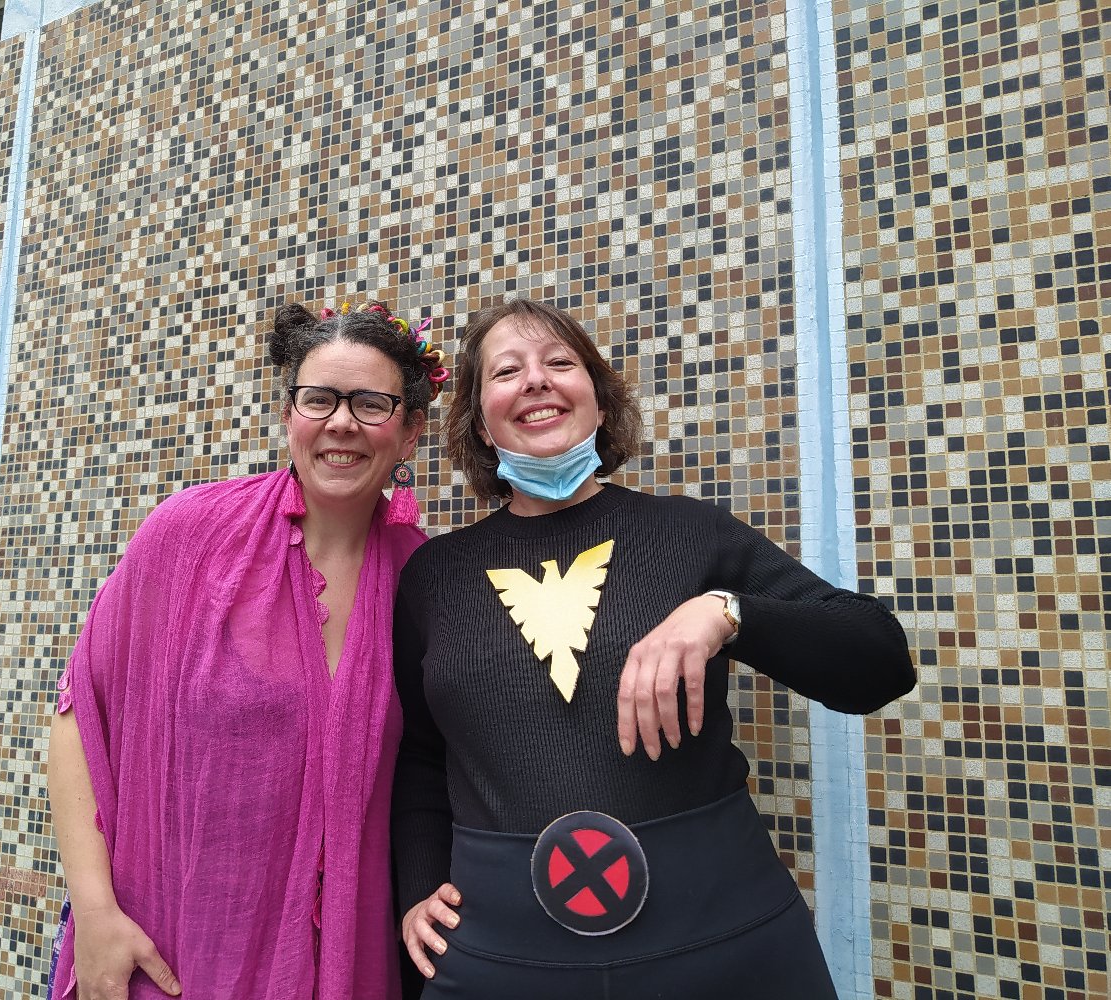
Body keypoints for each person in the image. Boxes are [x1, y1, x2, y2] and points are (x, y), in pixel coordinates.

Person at [392, 298, 915, 998]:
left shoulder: (692, 533)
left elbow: (879, 661)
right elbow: (420, 756)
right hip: (501, 953)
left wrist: (727, 612)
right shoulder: (433, 576)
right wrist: (418, 886)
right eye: (506, 371)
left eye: (559, 362)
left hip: (724, 937)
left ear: (600, 403)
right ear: (481, 424)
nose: (536, 380)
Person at [46, 300, 448, 1000]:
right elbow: (80, 713)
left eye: (370, 403)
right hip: (172, 950)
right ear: (289, 412)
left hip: (340, 964)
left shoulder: (426, 581)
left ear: (410, 431)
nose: (341, 422)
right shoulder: (190, 536)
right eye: (318, 399)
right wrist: (96, 912)